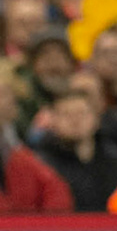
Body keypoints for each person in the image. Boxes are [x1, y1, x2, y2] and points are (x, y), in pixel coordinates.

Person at [1, 77, 71, 211]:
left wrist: (48, 224)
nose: (11, 100)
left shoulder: (17, 148)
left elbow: (55, 190)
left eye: (10, 95)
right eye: (3, 94)